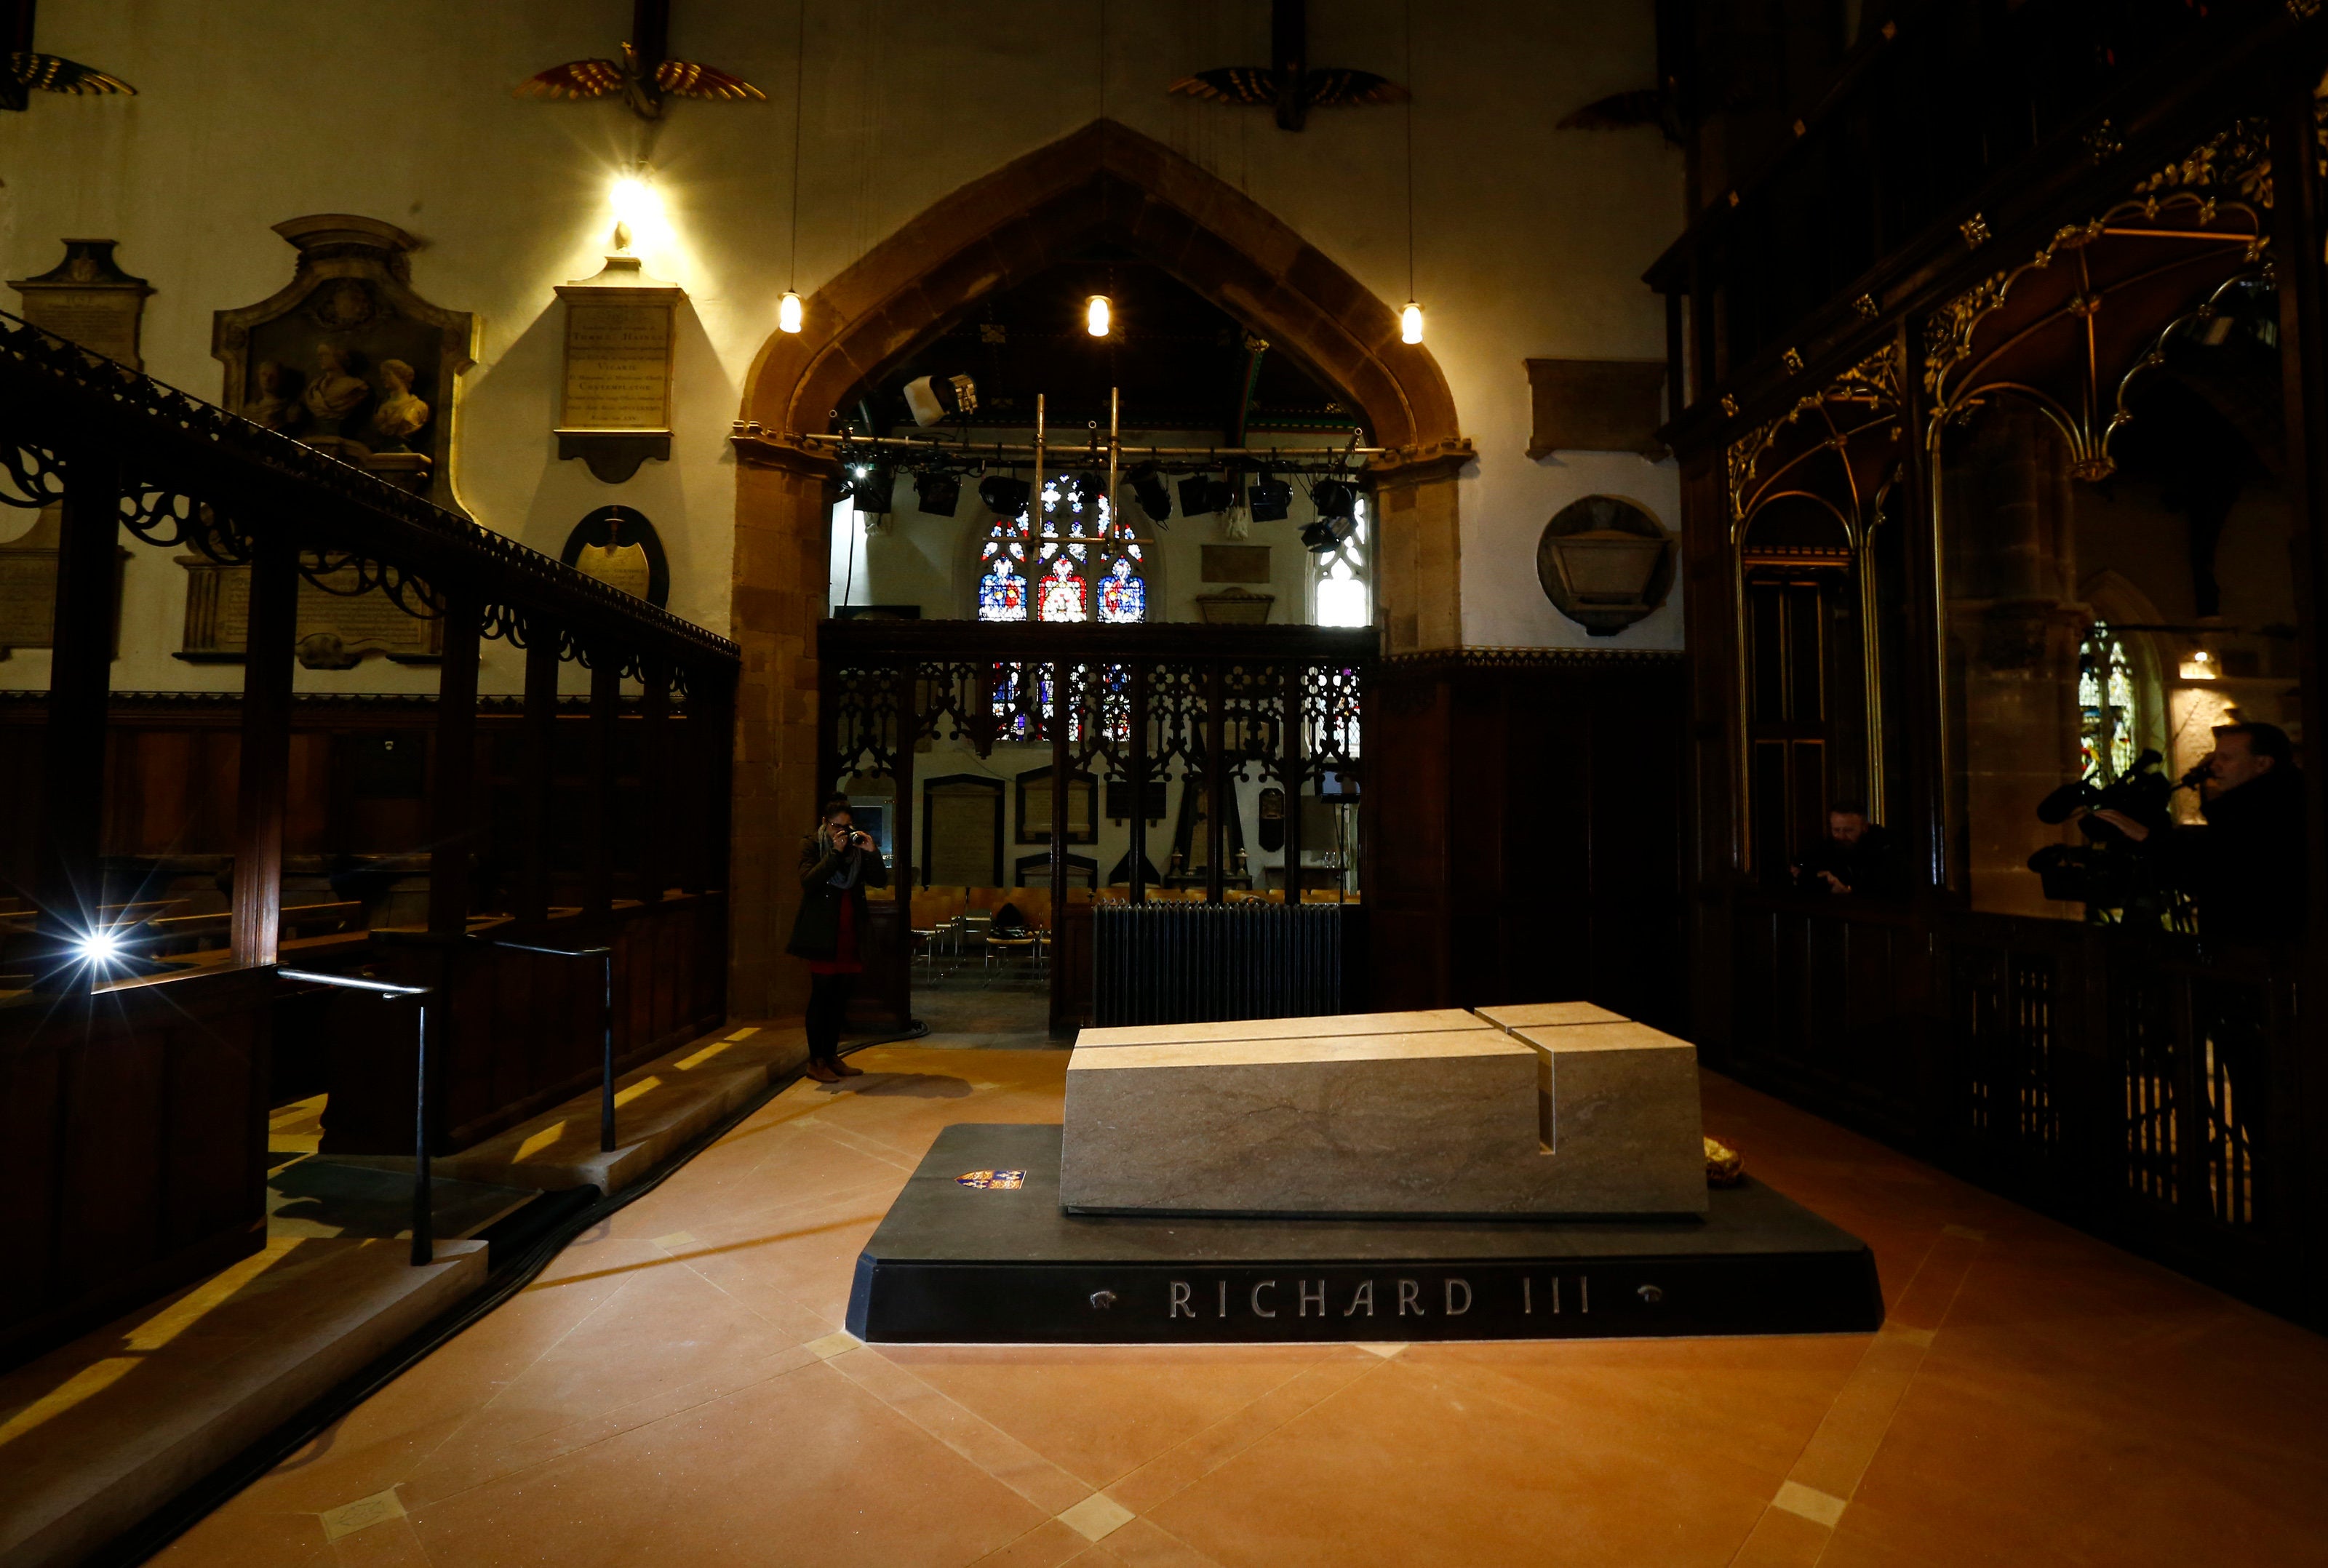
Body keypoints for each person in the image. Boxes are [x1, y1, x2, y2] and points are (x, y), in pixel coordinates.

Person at [2090, 722, 2306, 943]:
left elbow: (2220, 869)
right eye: (2214, 758)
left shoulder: (2271, 810)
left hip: (2259, 943)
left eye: (2226, 758)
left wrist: (2149, 839)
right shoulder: (2261, 800)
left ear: (2262, 763)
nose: (2214, 767)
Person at [786, 798, 887, 1082]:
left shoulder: (856, 850)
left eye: (846, 826)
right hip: (822, 933)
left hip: (850, 932)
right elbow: (809, 882)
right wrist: (834, 853)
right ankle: (815, 1060)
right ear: (824, 823)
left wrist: (871, 852)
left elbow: (880, 880)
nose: (841, 831)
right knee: (821, 997)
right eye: (835, 826)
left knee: (841, 999)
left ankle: (831, 1056)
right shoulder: (811, 845)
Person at [1790, 805, 1907, 899]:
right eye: (1836, 830)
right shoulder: (1830, 844)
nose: (1841, 836)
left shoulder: (1885, 847)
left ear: (1865, 827)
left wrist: (1849, 890)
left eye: (1848, 830)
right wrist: (1803, 870)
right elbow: (1802, 861)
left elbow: (1889, 888)